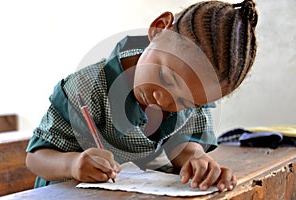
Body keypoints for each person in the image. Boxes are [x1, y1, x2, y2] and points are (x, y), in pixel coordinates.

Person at [26, 0, 258, 192]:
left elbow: (184, 144)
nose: (165, 101)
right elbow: (36, 157)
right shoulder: (86, 87)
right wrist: (73, 164)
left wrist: (196, 160)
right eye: (166, 78)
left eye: (186, 102)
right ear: (159, 28)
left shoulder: (194, 94)